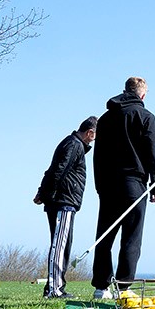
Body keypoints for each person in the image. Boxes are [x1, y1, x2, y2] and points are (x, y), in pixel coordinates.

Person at [91, 76, 155, 298]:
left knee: (105, 235)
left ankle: (101, 287)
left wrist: (99, 186)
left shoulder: (104, 119)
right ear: (142, 94)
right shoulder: (146, 117)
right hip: (134, 184)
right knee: (131, 238)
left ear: (125, 91)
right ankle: (123, 288)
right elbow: (153, 153)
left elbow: (98, 156)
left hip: (108, 184)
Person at [34, 115, 98, 299]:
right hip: (63, 201)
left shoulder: (72, 144)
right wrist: (45, 194)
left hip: (62, 200)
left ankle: (55, 286)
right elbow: (58, 170)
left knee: (63, 243)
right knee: (60, 245)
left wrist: (42, 192)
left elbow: (53, 169)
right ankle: (55, 289)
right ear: (90, 133)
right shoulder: (74, 145)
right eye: (95, 136)